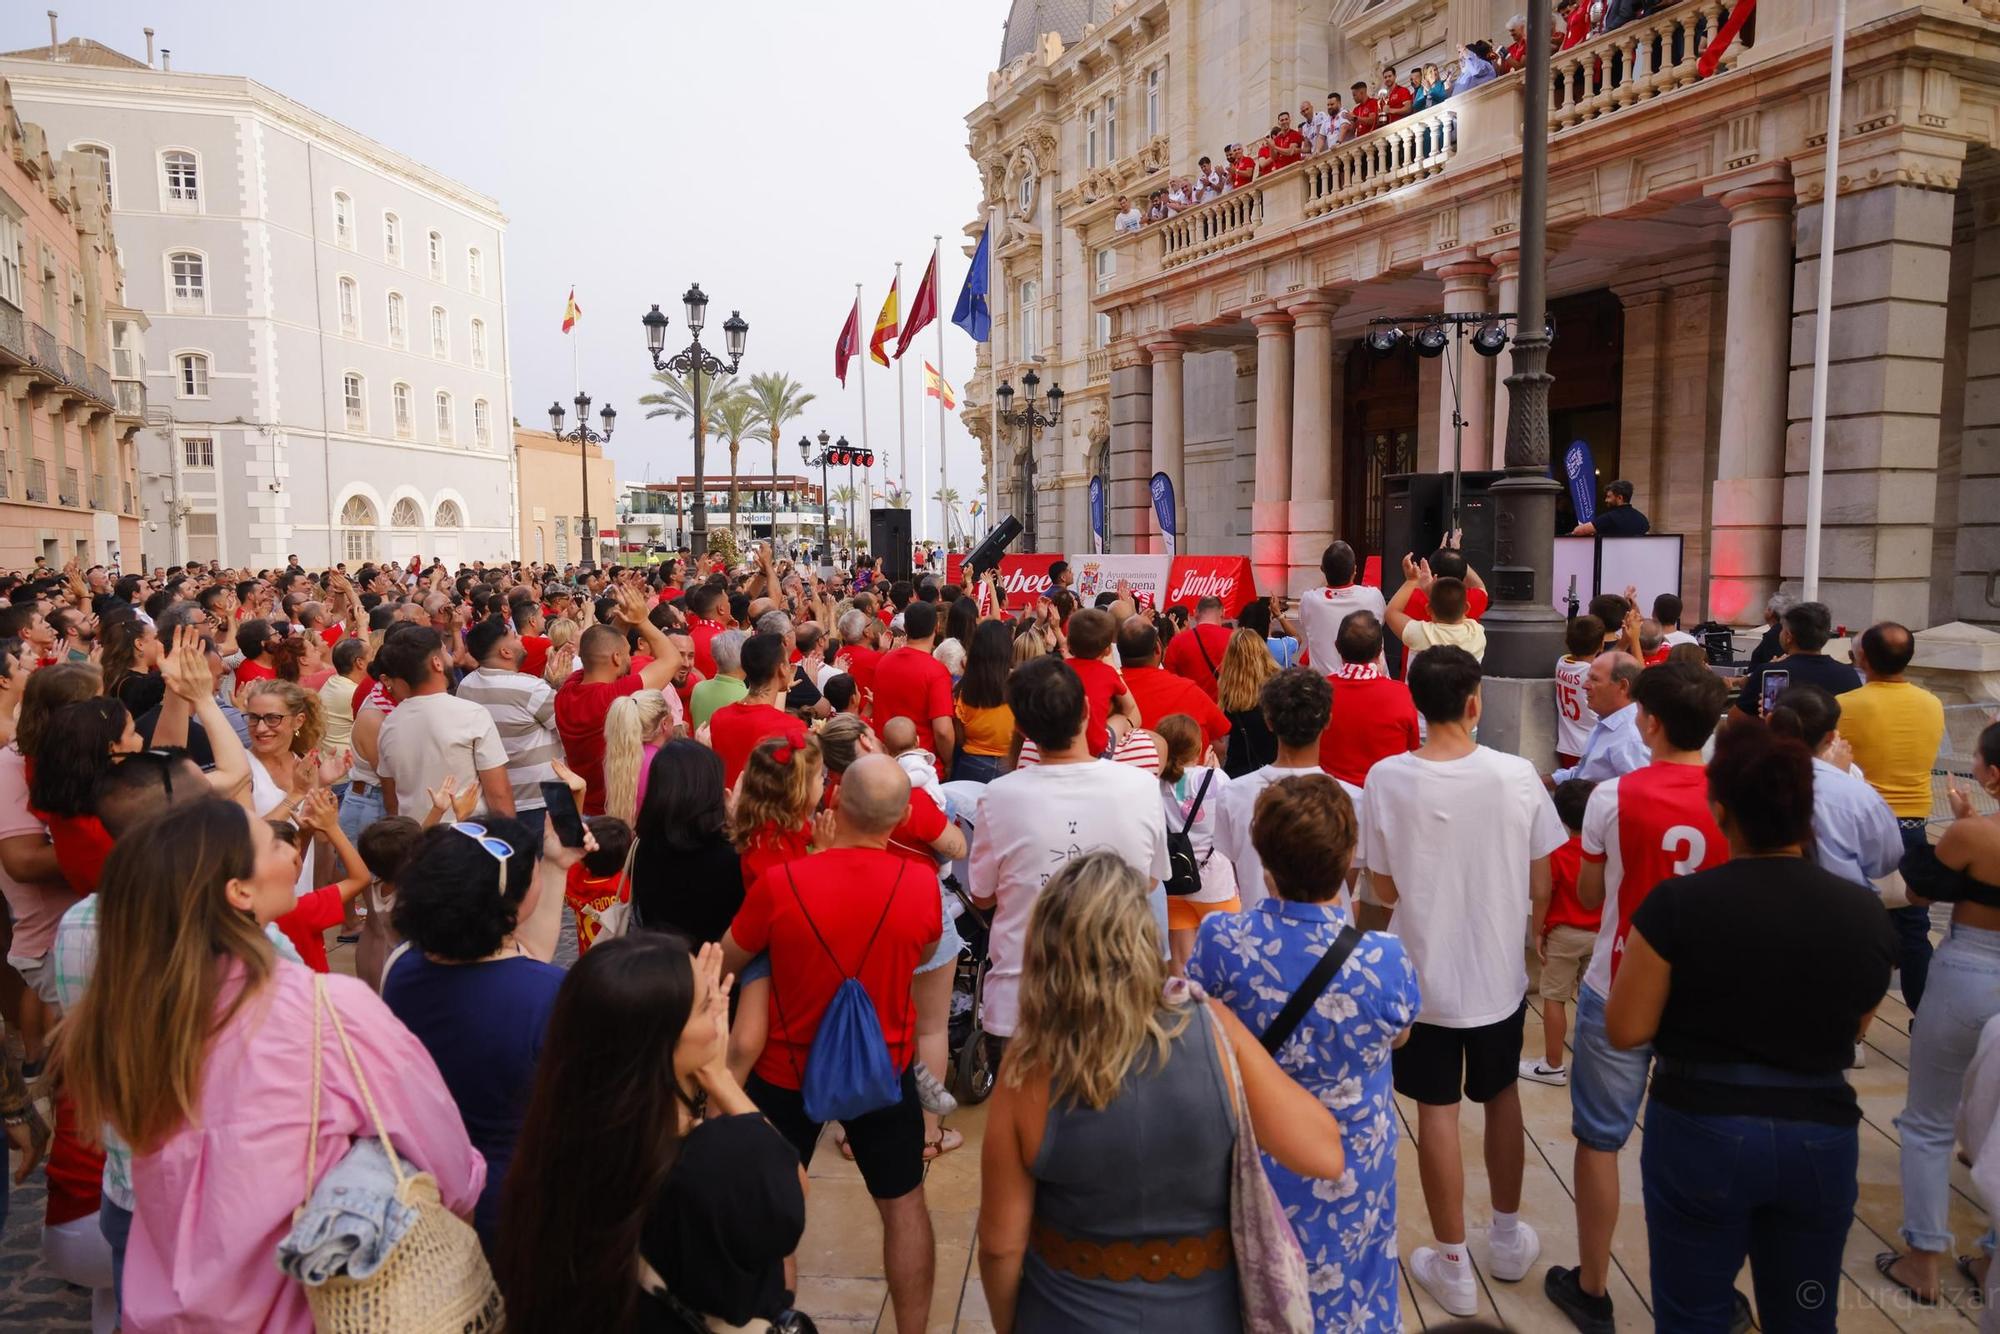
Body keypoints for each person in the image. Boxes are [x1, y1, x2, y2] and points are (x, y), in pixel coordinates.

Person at [60, 798, 484, 1332]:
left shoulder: (133, 1015)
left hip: (168, 1307)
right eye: (273, 844)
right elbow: (438, 1144)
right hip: (299, 1308)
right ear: (240, 892)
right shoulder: (325, 1010)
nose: (289, 850)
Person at [976, 850, 1346, 1332]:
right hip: (1200, 1313)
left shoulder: (1028, 1067)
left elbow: (1000, 1246)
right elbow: (1323, 1152)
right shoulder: (1214, 1031)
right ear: (1142, 939)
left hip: (1066, 1311)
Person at [1605, 723, 1894, 1330]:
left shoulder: (1677, 906)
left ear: (1720, 811)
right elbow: (1857, 1024)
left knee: (1692, 1315)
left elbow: (1627, 1029)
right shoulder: (1862, 913)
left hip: (1701, 1123)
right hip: (1820, 1128)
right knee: (1805, 1316)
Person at [1357, 646, 1566, 1316]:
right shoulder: (1517, 776)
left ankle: (1450, 1264)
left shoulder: (1387, 779)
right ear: (1474, 703)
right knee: (1502, 1096)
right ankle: (1505, 1240)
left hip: (1419, 979)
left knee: (1436, 1113)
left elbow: (1380, 890)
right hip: (1497, 974)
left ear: (1417, 703)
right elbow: (1543, 876)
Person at [1189, 776, 1419, 1333]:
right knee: (1356, 1282)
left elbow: (1197, 1031)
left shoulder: (1223, 939)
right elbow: (1401, 1035)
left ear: (1265, 860)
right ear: (1346, 865)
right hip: (1351, 1156)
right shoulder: (1383, 957)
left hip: (1256, 1150)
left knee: (1259, 1279)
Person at [722, 754, 942, 1334]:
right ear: (898, 822)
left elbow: (726, 960)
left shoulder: (781, 883)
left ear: (836, 802)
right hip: (884, 1070)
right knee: (905, 1206)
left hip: (784, 1070)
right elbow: (919, 953)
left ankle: (781, 1324)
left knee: (775, 1213)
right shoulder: (920, 886)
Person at [1544, 659, 1730, 1331]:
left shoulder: (1612, 797)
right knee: (1706, 1135)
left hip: (1617, 982)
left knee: (1600, 1139)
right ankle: (1712, 1283)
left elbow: (1592, 896)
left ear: (1648, 721)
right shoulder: (1730, 798)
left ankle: (1593, 1287)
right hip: (1706, 991)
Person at [497, 935, 805, 1334]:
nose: (717, 1016)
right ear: (662, 1045)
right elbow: (790, 1189)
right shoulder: (720, 1160)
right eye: (705, 1006)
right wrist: (719, 1077)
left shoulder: (556, 1143)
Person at [380, 814, 570, 1251]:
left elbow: (517, 961)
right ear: (511, 903)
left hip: (426, 1183)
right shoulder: (549, 996)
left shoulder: (403, 965)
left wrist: (557, 867)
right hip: (516, 1196)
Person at [970, 656, 1172, 1043]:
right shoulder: (1141, 787)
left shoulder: (998, 797)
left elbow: (983, 896)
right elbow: (1148, 882)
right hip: (1115, 998)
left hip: (1024, 1002)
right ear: (1086, 711)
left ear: (1021, 728)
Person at [1876, 718, 2000, 1304]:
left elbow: (1919, 890)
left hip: (1970, 971)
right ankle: (1990, 1259)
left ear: (1993, 776)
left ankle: (1923, 1258)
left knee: (1928, 1120)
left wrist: (1965, 821)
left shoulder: (1976, 836)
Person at [1839, 621, 1945, 1012]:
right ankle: (1923, 1016)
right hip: (1913, 828)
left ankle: (1852, 1032)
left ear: (1862, 656)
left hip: (1861, 827)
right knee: (1915, 930)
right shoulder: (1932, 703)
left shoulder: (1846, 705)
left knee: (1851, 930)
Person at [1212, 667, 1347, 911]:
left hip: (1257, 929)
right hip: (1334, 937)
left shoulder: (1232, 794)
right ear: (1328, 720)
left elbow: (1234, 868)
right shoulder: (1350, 798)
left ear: (1268, 721)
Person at [555, 584, 684, 815]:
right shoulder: (611, 696)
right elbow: (672, 660)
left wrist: (624, 618)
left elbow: (602, 645)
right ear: (616, 658)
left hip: (581, 805)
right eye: (626, 654)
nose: (629, 659)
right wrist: (642, 620)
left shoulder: (567, 690)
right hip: (613, 809)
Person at [1766, 684, 1903, 890]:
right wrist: (1839, 777)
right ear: (1830, 737)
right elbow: (1885, 860)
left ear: (1770, 722)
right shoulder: (1855, 793)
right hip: (1841, 903)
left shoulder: (1739, 777)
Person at [373, 627, 511, 822]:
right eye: (445, 652)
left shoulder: (389, 725)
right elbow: (499, 793)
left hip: (417, 839)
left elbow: (391, 801)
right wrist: (512, 843)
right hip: (468, 839)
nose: (450, 657)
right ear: (436, 663)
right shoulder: (472, 715)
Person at [453, 616, 561, 846]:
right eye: (514, 637)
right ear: (505, 652)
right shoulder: (530, 689)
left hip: (496, 798)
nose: (521, 639)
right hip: (539, 800)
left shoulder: (467, 685)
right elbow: (567, 726)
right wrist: (562, 684)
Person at [1521, 778, 1599, 1087]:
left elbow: (1543, 895)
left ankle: (1553, 1065)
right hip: (1601, 933)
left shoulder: (1557, 852)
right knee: (1594, 1000)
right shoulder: (1605, 852)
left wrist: (1538, 932)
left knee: (1554, 998)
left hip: (1564, 933)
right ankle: (1596, 1068)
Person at [1155, 713, 1237, 973]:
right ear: (1199, 748)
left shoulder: (1154, 782)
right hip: (1215, 882)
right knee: (1227, 958)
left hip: (1175, 881)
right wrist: (1216, 771)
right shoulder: (1216, 779)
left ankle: (1186, 1008)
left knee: (1180, 962)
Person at [1318, 610, 1420, 786]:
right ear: (1380, 650)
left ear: (1337, 646)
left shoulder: (1316, 691)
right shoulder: (1403, 694)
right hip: (1386, 797)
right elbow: (1413, 750)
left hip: (1329, 799)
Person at [1731, 600, 1861, 725]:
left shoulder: (1771, 673)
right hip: (1829, 745)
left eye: (1781, 629)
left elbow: (1735, 720)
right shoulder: (1849, 675)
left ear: (1788, 636)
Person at [1116, 616, 1230, 758]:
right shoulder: (1189, 691)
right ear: (1158, 648)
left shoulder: (1105, 691)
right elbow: (1220, 743)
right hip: (1184, 776)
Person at [706, 631, 810, 788]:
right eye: (788, 662)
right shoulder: (792, 728)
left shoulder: (719, 717)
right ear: (782, 669)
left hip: (728, 805)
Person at [872, 600, 956, 765]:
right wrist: (949, 763)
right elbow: (943, 731)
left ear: (906, 628)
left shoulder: (884, 662)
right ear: (936, 627)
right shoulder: (936, 671)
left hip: (886, 761)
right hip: (922, 765)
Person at [1549, 651, 1647, 785]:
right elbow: (1583, 774)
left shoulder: (1632, 738)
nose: (1585, 685)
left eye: (1594, 679)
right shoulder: (1608, 722)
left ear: (1623, 686)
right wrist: (1538, 781)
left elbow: (1638, 795)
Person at [1298, 541, 1386, 676]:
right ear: (1355, 570)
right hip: (1368, 678)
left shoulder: (1309, 599)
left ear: (1322, 569)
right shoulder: (1373, 596)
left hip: (1324, 687)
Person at [953, 619, 1016, 784]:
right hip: (1011, 765)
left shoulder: (963, 689)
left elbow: (959, 737)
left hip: (971, 765)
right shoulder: (1020, 685)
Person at [1387, 560, 1486, 663]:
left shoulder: (1421, 634)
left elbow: (1391, 612)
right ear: (1466, 608)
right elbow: (1480, 588)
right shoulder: (1477, 633)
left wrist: (1411, 580)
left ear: (1428, 609)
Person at [1213, 629, 1277, 779]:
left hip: (1239, 771)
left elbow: (1222, 737)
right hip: (1272, 770)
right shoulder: (1278, 689)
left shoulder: (1229, 696)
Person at [1553, 615, 1603, 770]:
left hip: (1568, 746)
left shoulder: (1562, 663)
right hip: (1593, 745)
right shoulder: (1593, 673)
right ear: (1601, 645)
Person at [1162, 596, 1232, 699]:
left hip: (1189, 708)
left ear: (1195, 613)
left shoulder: (1177, 641)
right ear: (1223, 612)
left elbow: (1169, 681)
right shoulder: (1235, 639)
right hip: (1224, 709)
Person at [1569, 480, 1651, 537]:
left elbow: (1579, 531)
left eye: (1609, 497)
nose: (1606, 500)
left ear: (1619, 498)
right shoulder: (1642, 519)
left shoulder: (1610, 518)